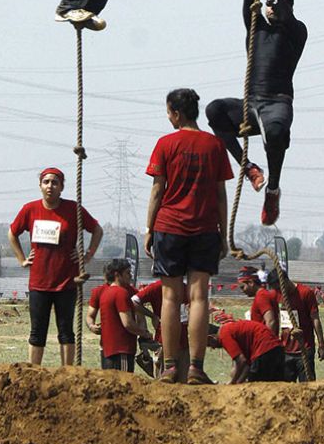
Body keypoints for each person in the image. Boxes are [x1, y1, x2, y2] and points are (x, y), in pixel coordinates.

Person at [205, 0, 307, 226]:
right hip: (251, 103)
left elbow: (283, 11)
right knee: (215, 110)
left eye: (274, 4)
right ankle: (248, 167)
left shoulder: (297, 32)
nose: (269, 7)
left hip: (277, 104)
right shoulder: (256, 28)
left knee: (275, 134)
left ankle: (272, 189)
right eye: (268, 4)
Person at [144, 87, 233, 385]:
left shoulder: (165, 144)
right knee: (199, 298)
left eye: (169, 112)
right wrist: (224, 234)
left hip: (169, 227)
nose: (168, 117)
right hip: (205, 229)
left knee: (170, 297)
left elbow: (157, 190)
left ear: (177, 113)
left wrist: (149, 228)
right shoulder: (215, 145)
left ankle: (170, 367)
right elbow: (221, 194)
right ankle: (196, 367)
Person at [8, 167, 103, 366]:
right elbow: (12, 233)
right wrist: (22, 259)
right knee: (37, 331)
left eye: (55, 182)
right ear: (40, 185)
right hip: (39, 283)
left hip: (66, 282)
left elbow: (97, 230)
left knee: (66, 330)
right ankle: (34, 371)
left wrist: (87, 255)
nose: (50, 186)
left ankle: (67, 372)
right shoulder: (30, 209)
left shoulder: (73, 209)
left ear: (61, 187)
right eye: (46, 182)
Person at [262, 269, 324, 381]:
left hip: (305, 349)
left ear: (285, 281)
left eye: (279, 288)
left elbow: (315, 319)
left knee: (307, 386)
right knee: (285, 386)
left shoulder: (306, 293)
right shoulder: (276, 295)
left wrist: (321, 345)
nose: (279, 291)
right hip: (285, 350)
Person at [132, 278, 191, 382]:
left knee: (183, 380)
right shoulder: (157, 286)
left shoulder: (185, 288)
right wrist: (152, 316)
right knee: (163, 380)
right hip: (163, 341)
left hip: (183, 342)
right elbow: (134, 301)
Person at [98, 259, 149, 372]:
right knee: (123, 381)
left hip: (108, 350)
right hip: (121, 349)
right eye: (127, 273)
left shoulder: (105, 293)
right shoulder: (121, 293)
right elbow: (128, 323)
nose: (130, 276)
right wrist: (144, 333)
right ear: (117, 275)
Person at [207, 319, 285, 383]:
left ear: (211, 338)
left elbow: (241, 360)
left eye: (209, 345)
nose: (213, 348)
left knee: (256, 386)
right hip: (276, 348)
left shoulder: (223, 335)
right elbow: (246, 365)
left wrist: (232, 382)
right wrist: (239, 382)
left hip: (264, 350)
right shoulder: (230, 329)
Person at [86, 262, 114, 368]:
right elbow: (90, 315)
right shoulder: (98, 291)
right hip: (106, 343)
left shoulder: (128, 290)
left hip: (123, 344)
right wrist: (91, 326)